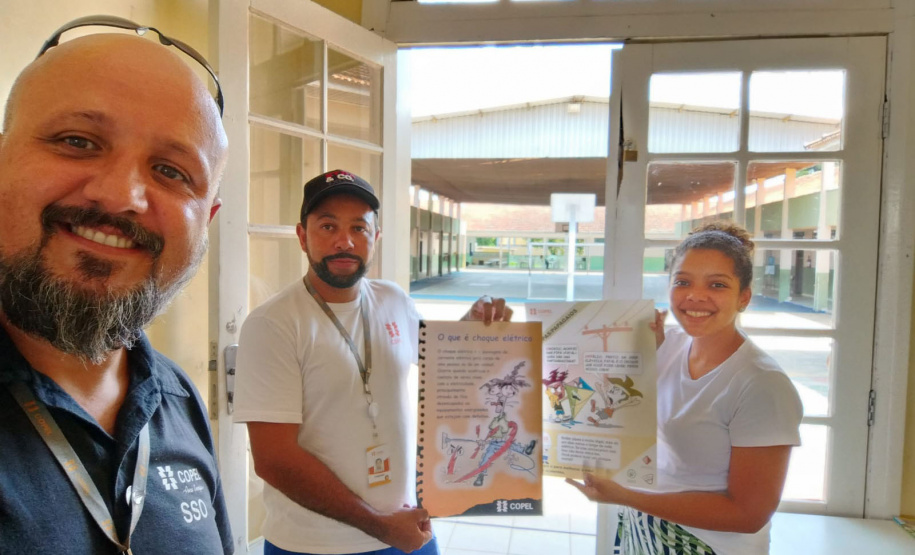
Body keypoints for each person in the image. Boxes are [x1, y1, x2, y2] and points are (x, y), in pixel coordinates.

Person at [0, 18, 233, 554]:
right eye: (78, 141)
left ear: (206, 222)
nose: (120, 196)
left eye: (172, 172)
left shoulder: (177, 401)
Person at [234, 169, 512, 555]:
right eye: (327, 226)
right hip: (315, 545)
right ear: (302, 236)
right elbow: (275, 460)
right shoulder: (273, 324)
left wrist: (474, 327)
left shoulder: (393, 299)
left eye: (359, 228)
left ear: (375, 238)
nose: (344, 241)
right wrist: (380, 527)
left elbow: (440, 361)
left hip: (407, 526)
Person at [567, 222, 803, 555]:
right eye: (683, 281)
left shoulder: (762, 384)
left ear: (744, 297)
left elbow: (749, 514)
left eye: (717, 284)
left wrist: (624, 495)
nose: (695, 296)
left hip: (708, 544)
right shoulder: (668, 343)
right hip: (643, 524)